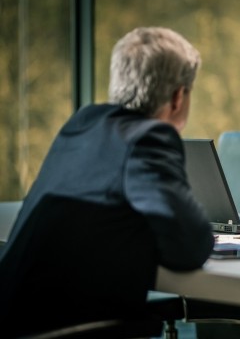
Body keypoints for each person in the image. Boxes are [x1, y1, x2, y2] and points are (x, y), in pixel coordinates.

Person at [0, 27, 214, 336]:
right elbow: (191, 247)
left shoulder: (84, 121)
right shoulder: (149, 138)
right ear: (178, 97)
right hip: (62, 326)